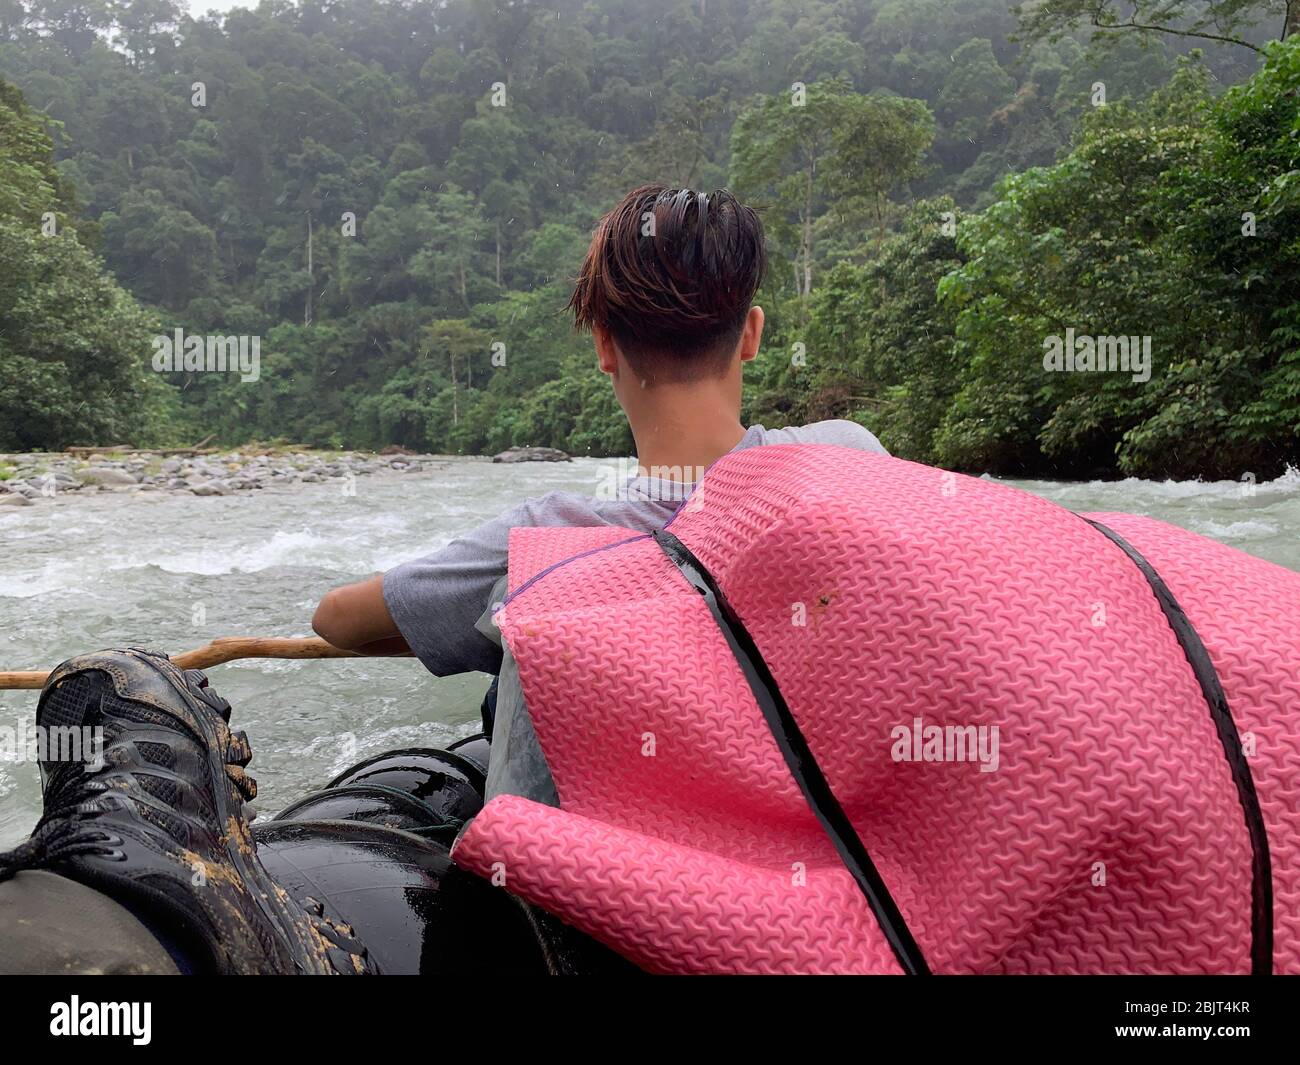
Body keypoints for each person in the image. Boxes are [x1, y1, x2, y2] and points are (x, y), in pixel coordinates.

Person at [0, 186, 886, 973]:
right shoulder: (850, 459)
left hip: (594, 919)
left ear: (604, 347)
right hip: (840, 881)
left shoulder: (547, 540)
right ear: (756, 333)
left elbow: (339, 618)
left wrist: (470, 615)